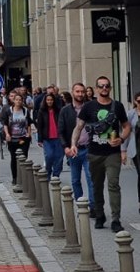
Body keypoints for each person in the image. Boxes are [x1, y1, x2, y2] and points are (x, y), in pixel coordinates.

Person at [70, 76, 131, 232]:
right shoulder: (89, 106)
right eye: (101, 86)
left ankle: (116, 219)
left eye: (107, 86)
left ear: (110, 88)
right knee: (96, 186)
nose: (104, 88)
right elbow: (79, 127)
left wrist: (121, 139)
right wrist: (73, 144)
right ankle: (99, 214)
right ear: (96, 89)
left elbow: (126, 126)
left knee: (113, 184)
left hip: (112, 153)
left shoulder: (117, 106)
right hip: (94, 153)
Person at [59, 83, 95, 216]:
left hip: (89, 148)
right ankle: (80, 204)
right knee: (75, 180)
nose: (80, 94)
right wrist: (65, 147)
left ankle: (93, 206)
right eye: (77, 91)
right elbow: (61, 131)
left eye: (82, 92)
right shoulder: (65, 110)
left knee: (91, 178)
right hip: (73, 150)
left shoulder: (90, 108)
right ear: (73, 93)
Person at [4, 94, 33, 186]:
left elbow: (28, 123)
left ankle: (24, 178)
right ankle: (15, 177)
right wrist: (7, 134)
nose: (18, 101)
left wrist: (29, 133)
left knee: (23, 158)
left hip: (23, 138)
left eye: (20, 100)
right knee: (14, 158)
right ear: (14, 101)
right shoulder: (9, 111)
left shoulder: (25, 111)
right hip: (12, 138)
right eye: (16, 99)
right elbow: (5, 124)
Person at [122, 91, 140, 216]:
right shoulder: (131, 115)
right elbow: (126, 133)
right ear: (135, 102)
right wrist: (123, 151)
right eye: (139, 101)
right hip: (137, 149)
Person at [36, 92, 64, 180]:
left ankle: (56, 175)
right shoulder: (42, 111)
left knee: (59, 157)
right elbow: (39, 126)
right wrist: (39, 139)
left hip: (58, 138)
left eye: (51, 100)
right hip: (47, 138)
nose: (49, 101)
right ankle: (48, 172)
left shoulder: (59, 110)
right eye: (48, 100)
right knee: (49, 156)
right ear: (45, 101)